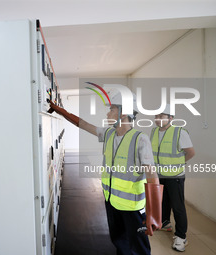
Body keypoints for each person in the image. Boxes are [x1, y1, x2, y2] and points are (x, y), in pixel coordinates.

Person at [48, 88, 163, 255]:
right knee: (119, 241)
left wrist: (154, 214)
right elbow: (82, 124)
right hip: (111, 201)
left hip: (132, 207)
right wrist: (60, 110)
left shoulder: (140, 139)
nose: (108, 113)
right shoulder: (109, 134)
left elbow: (152, 176)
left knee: (139, 248)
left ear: (123, 113)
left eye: (112, 109)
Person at [151, 104, 195, 252]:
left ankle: (182, 237)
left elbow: (190, 152)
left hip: (175, 176)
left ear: (171, 118)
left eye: (162, 116)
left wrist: (177, 165)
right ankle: (165, 223)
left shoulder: (179, 132)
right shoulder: (154, 132)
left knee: (178, 206)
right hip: (159, 174)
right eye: (156, 116)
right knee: (163, 201)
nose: (158, 119)